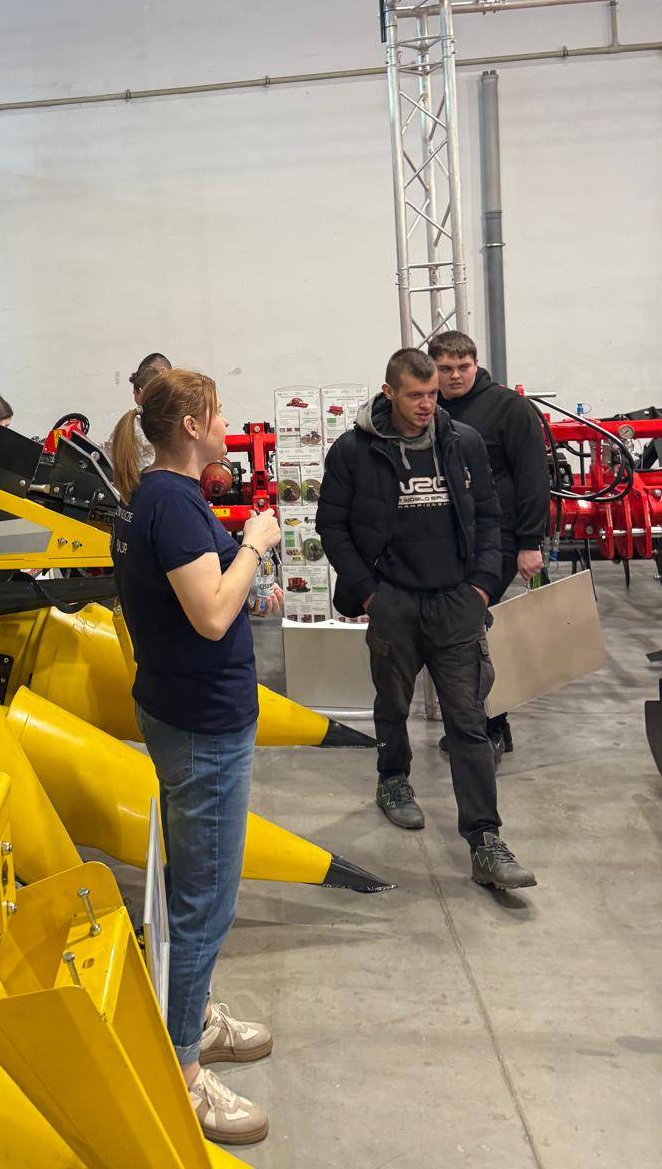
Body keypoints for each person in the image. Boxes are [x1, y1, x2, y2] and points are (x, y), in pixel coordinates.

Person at [110, 369, 281, 1148]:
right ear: (189, 426)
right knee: (205, 901)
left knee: (196, 886)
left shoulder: (158, 498)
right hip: (202, 724)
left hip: (184, 709)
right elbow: (210, 615)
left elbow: (201, 600)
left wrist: (243, 574)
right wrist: (253, 546)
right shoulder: (174, 505)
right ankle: (181, 1071)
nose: (226, 423)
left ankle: (196, 1017)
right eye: (217, 413)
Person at [315, 347, 536, 892]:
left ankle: (485, 840)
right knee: (392, 705)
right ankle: (393, 778)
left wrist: (481, 587)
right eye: (415, 395)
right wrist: (370, 595)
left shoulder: (462, 442)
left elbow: (490, 517)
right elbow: (331, 526)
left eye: (433, 394)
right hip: (393, 604)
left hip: (457, 604)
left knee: (469, 721)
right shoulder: (353, 451)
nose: (427, 405)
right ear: (389, 392)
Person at [429, 331, 550, 755]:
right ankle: (486, 725)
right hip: (451, 541)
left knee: (471, 630)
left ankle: (490, 730)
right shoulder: (429, 409)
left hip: (500, 538)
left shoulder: (508, 408)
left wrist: (530, 542)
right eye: (445, 369)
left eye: (463, 367)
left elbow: (533, 476)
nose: (455, 376)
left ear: (476, 364)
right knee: (465, 631)